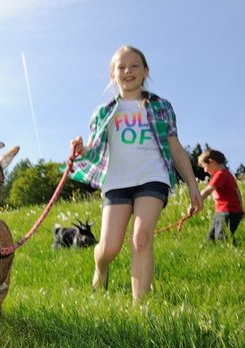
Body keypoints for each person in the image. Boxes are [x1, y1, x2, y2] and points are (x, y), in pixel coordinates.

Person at [69, 45, 203, 302]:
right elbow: (91, 149)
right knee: (109, 248)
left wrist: (193, 186)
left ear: (145, 71)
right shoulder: (104, 111)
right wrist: (79, 149)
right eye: (121, 67)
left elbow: (175, 147)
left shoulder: (161, 106)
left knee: (141, 238)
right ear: (113, 75)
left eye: (134, 66)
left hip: (153, 177)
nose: (128, 70)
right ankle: (101, 266)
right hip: (117, 181)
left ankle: (139, 307)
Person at [198, 148, 244, 242]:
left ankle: (235, 249)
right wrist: (241, 209)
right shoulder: (226, 174)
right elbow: (237, 192)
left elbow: (207, 190)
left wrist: (195, 202)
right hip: (222, 212)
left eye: (204, 167)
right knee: (211, 238)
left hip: (228, 212)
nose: (205, 171)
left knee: (221, 238)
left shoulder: (221, 174)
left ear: (212, 162)